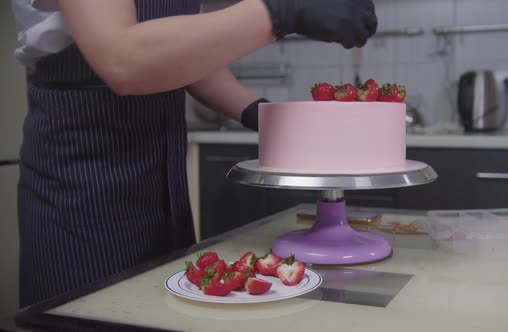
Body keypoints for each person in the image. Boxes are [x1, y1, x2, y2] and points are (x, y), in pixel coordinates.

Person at [11, 0, 378, 306]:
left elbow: (184, 59)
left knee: (162, 309)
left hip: (160, 183)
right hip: (82, 184)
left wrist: (266, 117)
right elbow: (122, 59)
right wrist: (282, 10)